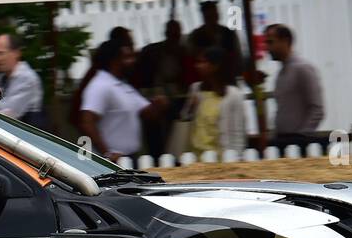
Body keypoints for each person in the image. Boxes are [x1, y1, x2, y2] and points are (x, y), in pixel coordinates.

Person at [78, 38, 164, 161]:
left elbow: (147, 113)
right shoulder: (100, 85)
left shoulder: (123, 86)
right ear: (114, 61)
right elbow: (87, 122)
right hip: (112, 161)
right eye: (127, 58)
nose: (133, 61)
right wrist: (107, 153)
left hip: (130, 158)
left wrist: (158, 104)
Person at [133, 19, 194, 157]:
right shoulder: (152, 52)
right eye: (171, 34)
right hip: (154, 104)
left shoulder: (184, 53)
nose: (174, 38)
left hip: (178, 104)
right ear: (166, 34)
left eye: (176, 35)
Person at [264, 23, 325, 149]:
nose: (267, 48)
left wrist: (301, 137)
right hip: (282, 141)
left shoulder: (302, 68)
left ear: (285, 41)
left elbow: (317, 108)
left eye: (270, 42)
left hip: (298, 143)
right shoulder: (281, 73)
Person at [182, 46, 247, 158]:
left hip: (221, 157)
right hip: (195, 156)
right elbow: (185, 117)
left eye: (202, 62)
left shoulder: (233, 95)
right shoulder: (195, 89)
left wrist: (236, 157)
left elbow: (238, 132)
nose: (197, 66)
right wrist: (191, 107)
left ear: (215, 66)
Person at [0, 33, 47, 127]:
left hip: (28, 138)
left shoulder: (27, 78)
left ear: (16, 53)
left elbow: (7, 114)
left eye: (0, 53)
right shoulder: (0, 78)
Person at [187, 1, 243, 84]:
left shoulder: (228, 33)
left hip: (227, 78)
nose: (213, 18)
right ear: (204, 17)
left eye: (215, 14)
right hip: (206, 81)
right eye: (209, 16)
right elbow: (192, 57)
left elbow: (237, 56)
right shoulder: (196, 35)